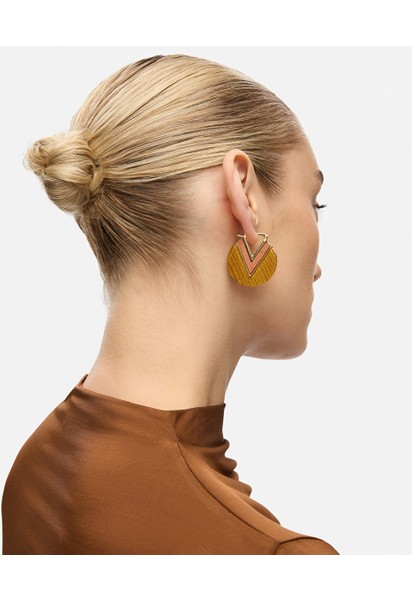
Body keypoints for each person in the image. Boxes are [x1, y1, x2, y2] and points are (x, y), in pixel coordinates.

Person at [1, 53, 338, 554]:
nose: (319, 265)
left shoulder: (37, 469)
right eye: (315, 204)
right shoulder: (277, 559)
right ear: (244, 195)